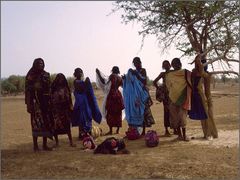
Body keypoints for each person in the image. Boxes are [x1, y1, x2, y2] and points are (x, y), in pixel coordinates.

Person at [25, 58, 54, 151]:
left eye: (42, 63)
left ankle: (45, 145)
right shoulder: (30, 75)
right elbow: (27, 90)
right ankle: (35, 146)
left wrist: (50, 101)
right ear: (34, 64)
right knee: (35, 123)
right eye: (38, 63)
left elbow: (49, 88)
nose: (40, 65)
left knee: (46, 122)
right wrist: (28, 104)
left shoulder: (46, 74)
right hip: (35, 103)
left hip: (45, 102)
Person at [188, 54, 218, 139]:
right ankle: (207, 133)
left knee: (206, 115)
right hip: (197, 96)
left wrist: (199, 57)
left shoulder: (205, 74)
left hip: (202, 96)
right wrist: (199, 56)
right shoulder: (195, 72)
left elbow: (201, 70)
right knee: (203, 115)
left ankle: (210, 133)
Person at [165, 58, 192, 141]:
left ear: (180, 64)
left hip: (183, 98)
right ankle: (180, 135)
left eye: (177, 64)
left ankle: (184, 135)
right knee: (175, 118)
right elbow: (168, 86)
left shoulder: (185, 72)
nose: (176, 65)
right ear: (172, 65)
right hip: (173, 99)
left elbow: (191, 82)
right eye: (174, 64)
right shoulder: (170, 75)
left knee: (182, 117)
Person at [71, 68, 102, 140]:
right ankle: (81, 134)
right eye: (78, 72)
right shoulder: (76, 82)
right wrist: (87, 83)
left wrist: (87, 83)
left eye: (81, 72)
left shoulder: (82, 82)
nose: (80, 73)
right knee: (81, 119)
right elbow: (81, 89)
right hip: (80, 103)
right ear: (75, 74)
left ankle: (86, 133)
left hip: (85, 103)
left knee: (87, 117)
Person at [96, 66, 124, 135]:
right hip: (118, 96)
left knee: (110, 113)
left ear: (112, 70)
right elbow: (123, 86)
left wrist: (99, 74)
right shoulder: (120, 78)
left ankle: (111, 130)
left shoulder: (112, 76)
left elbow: (104, 82)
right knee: (118, 113)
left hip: (111, 96)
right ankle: (117, 130)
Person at [131, 57, 155, 135]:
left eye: (136, 63)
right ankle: (138, 131)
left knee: (144, 111)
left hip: (142, 93)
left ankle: (143, 131)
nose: (135, 64)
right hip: (136, 94)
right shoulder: (134, 72)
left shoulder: (143, 70)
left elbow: (144, 81)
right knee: (137, 112)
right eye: (134, 63)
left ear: (140, 62)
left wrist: (136, 75)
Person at [51, 73, 76, 147]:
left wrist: (71, 107)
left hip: (65, 110)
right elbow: (51, 99)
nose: (60, 80)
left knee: (67, 126)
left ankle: (71, 142)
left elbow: (70, 99)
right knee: (56, 127)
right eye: (59, 78)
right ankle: (57, 142)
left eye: (62, 78)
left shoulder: (66, 88)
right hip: (56, 110)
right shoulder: (53, 89)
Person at [153, 60, 173, 136]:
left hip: (173, 94)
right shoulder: (163, 74)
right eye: (164, 65)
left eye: (167, 64)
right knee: (167, 112)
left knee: (173, 112)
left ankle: (174, 128)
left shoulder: (173, 72)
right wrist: (160, 89)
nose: (166, 66)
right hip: (166, 96)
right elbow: (154, 82)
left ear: (169, 65)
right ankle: (166, 130)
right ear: (163, 66)